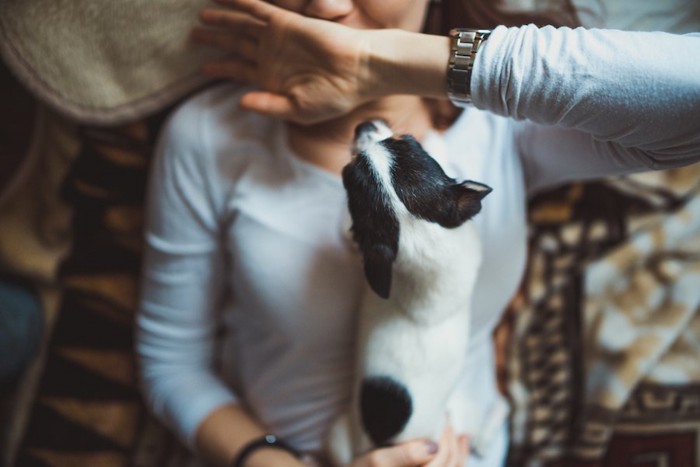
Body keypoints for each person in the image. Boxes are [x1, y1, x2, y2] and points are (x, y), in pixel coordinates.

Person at [135, 0, 700, 466]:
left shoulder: (503, 129)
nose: (327, 6)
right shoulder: (210, 138)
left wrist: (382, 63)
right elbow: (170, 361)